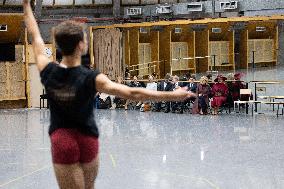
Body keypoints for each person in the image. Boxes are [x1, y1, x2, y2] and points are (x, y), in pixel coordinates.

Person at [23, 1, 195, 188]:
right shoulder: (92, 78)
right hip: (87, 138)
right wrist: (173, 95)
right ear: (81, 45)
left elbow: (35, 34)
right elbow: (132, 93)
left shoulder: (48, 70)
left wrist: (26, 4)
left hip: (62, 140)